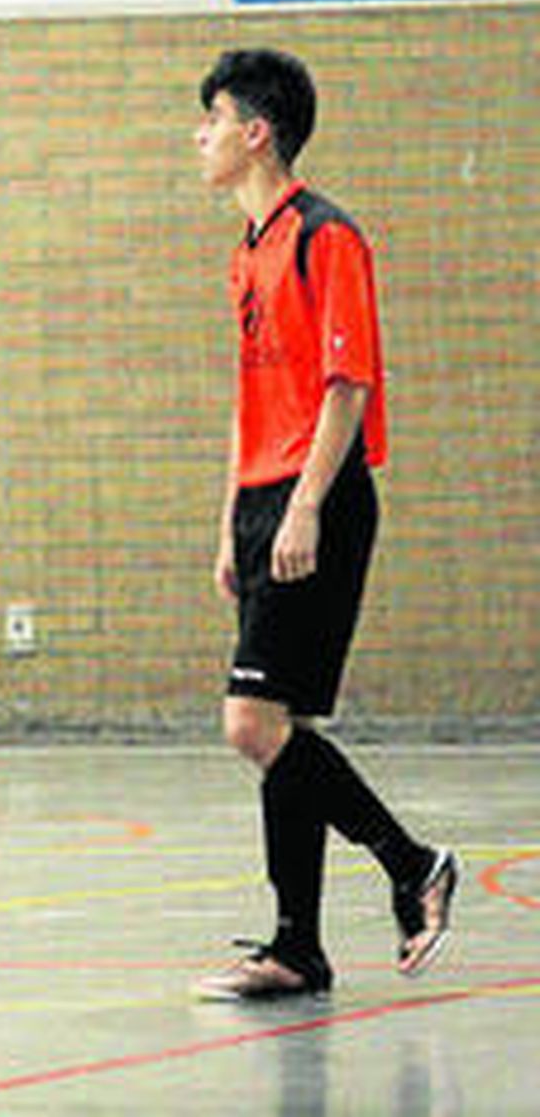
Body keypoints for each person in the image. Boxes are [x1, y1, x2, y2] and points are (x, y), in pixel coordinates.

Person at [189, 49, 457, 1001]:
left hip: (322, 495)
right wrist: (235, 522)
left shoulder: (325, 237)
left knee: (250, 724)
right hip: (264, 501)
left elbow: (349, 386)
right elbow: (248, 399)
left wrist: (302, 504)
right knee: (285, 728)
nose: (202, 136)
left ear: (255, 131)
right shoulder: (244, 253)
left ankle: (410, 862)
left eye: (212, 118)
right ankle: (297, 946)